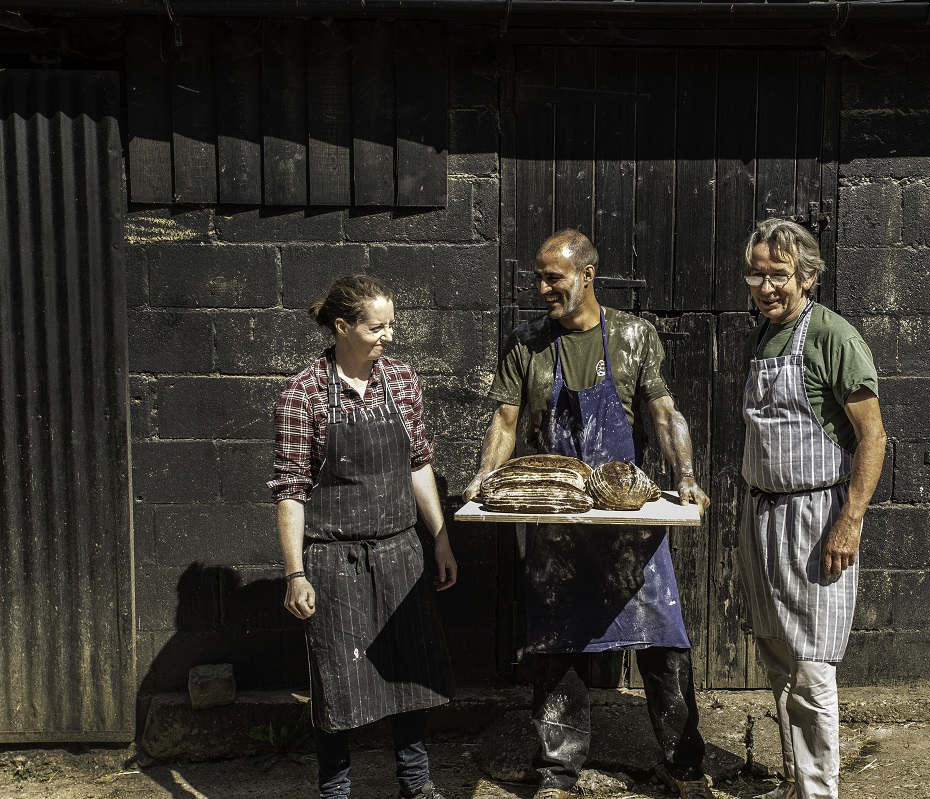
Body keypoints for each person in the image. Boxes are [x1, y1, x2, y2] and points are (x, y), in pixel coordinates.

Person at [462, 229, 715, 799]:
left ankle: (684, 767)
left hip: (629, 523)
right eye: (539, 277)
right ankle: (557, 774)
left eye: (554, 276)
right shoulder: (527, 343)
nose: (543, 287)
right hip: (558, 522)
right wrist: (483, 481)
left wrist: (687, 478)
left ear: (588, 275)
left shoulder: (631, 335)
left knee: (663, 643)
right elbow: (505, 422)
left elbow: (664, 414)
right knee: (557, 645)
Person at [269, 274, 457, 799]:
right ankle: (335, 790)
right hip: (334, 560)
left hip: (401, 551)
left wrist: (439, 539)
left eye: (391, 325)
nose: (388, 337)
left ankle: (416, 784)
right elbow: (290, 490)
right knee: (336, 681)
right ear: (342, 326)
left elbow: (419, 465)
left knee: (410, 671)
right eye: (377, 327)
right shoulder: (303, 394)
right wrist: (295, 573)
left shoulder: (401, 381)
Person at [736, 218, 887, 799]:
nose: (766, 287)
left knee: (812, 665)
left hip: (815, 516)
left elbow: (872, 437)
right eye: (757, 275)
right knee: (777, 655)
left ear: (809, 277)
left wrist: (849, 521)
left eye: (779, 275)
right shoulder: (765, 335)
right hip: (762, 513)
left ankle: (820, 793)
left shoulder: (832, 337)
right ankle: (798, 784)